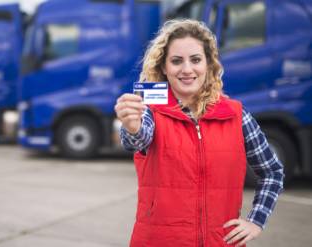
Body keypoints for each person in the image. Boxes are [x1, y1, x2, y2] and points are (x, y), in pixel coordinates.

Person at [114, 19, 284, 247]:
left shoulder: (237, 115)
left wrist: (256, 221)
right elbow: (138, 138)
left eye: (195, 60)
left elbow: (272, 172)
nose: (187, 69)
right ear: (164, 67)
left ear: (209, 65)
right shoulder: (150, 111)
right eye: (176, 61)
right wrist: (131, 125)